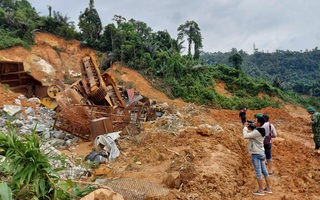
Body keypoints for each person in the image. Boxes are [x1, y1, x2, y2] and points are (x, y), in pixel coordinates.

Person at [243, 116, 272, 196]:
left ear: (259, 123)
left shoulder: (257, 131)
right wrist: (250, 126)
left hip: (256, 154)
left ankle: (261, 190)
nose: (254, 122)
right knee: (264, 171)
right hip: (262, 153)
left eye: (255, 121)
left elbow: (246, 136)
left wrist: (245, 127)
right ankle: (268, 188)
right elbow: (254, 130)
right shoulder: (262, 130)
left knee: (258, 172)